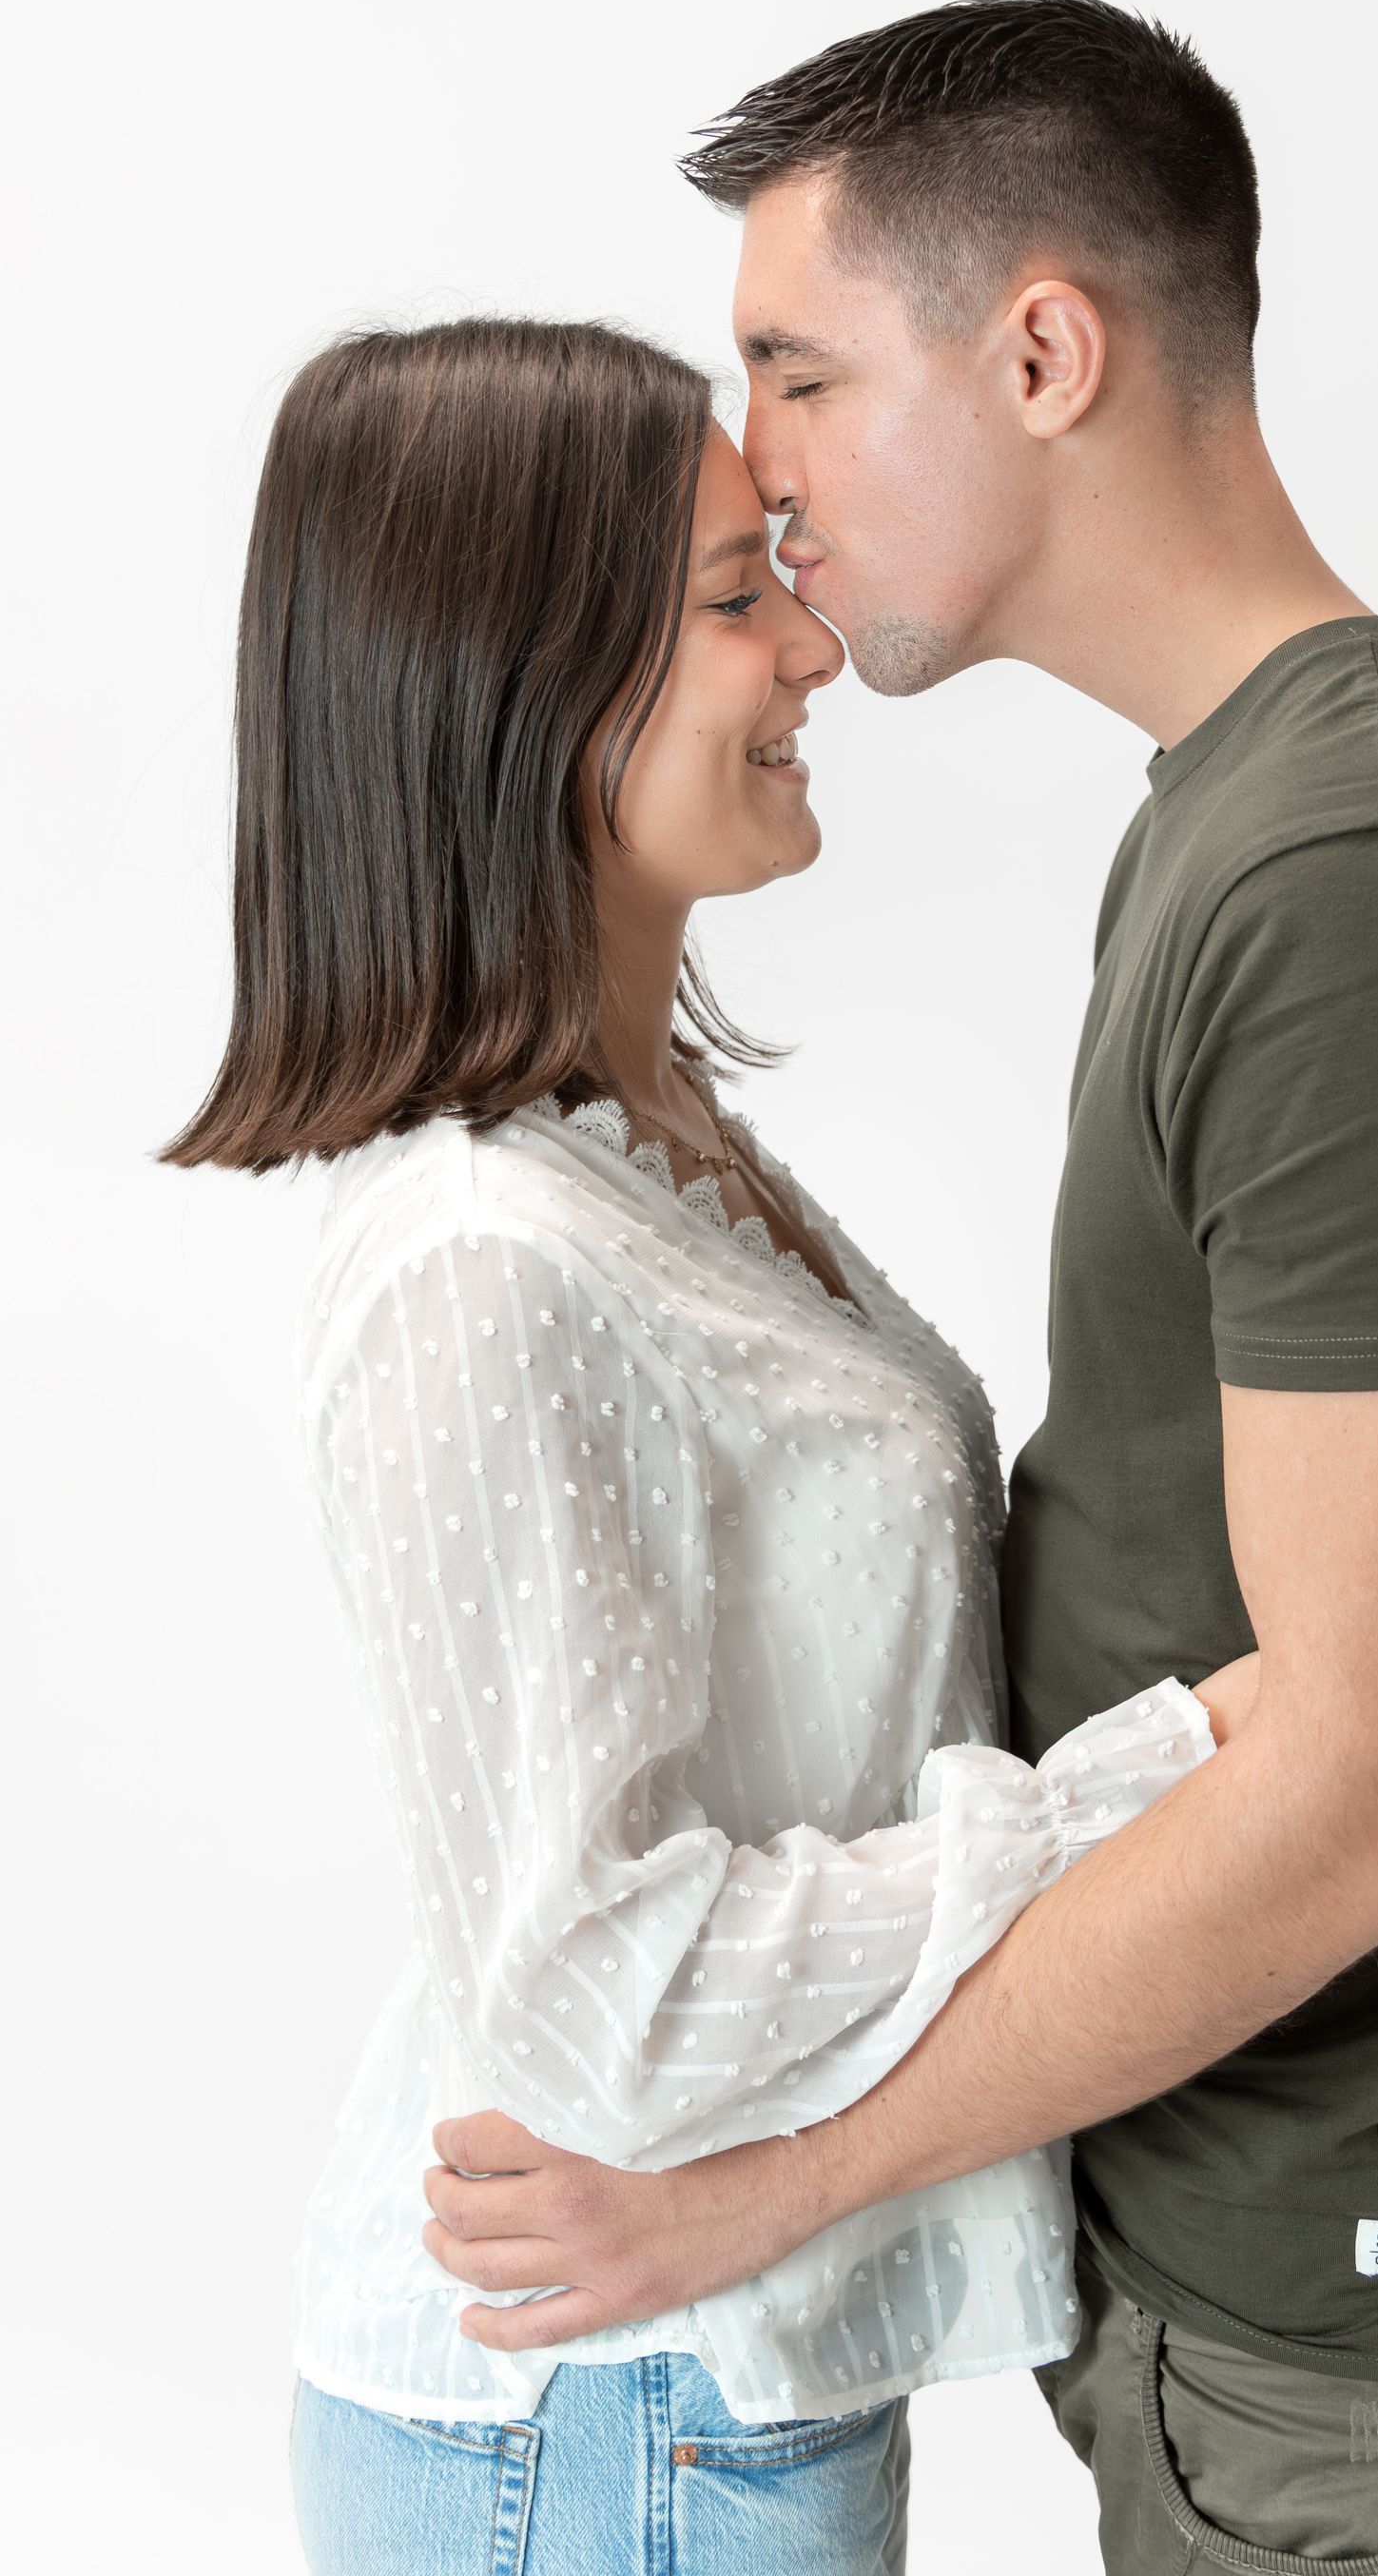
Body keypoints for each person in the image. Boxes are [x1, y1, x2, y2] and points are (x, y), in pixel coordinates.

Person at [419, 0, 1378, 2572]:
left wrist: (773, 2183)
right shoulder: (1247, 822)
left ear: (1042, 353)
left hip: (1375, 2351)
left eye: (800, 374)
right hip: (1277, 2310)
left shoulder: (1341, 888)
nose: (760, 473)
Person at [164, 316, 1254, 2575]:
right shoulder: (480, 1255)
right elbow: (609, 1991)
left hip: (703, 2374)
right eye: (739, 595)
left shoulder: (648, 1145)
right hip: (601, 2412)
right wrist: (1152, 1788)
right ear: (525, 688)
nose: (813, 649)